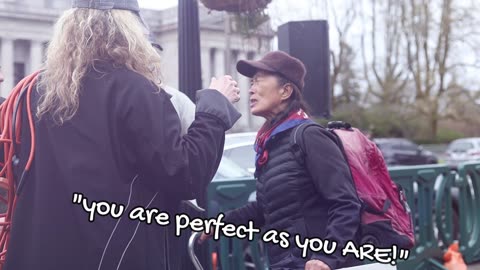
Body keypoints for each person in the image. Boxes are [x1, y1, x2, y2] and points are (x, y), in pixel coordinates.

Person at [3, 1, 241, 270]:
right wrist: (214, 107)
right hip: (111, 255)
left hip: (38, 254)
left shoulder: (33, 93)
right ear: (127, 30)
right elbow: (184, 173)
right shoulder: (135, 90)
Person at [201, 51, 362, 270]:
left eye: (258, 81)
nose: (251, 89)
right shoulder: (272, 142)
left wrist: (326, 257)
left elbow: (346, 203)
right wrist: (219, 224)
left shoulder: (310, 136)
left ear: (285, 91)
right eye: (251, 82)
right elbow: (267, 209)